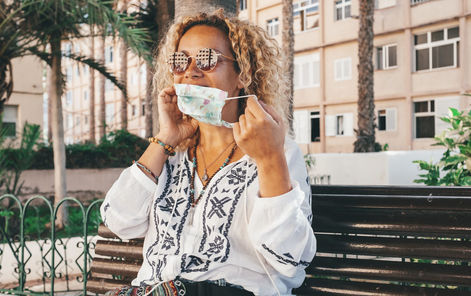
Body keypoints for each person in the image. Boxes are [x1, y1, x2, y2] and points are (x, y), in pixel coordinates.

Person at [101, 9, 316, 296]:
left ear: (241, 74)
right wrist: (165, 139)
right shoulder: (170, 156)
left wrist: (269, 160)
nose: (190, 70)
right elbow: (119, 222)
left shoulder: (277, 153)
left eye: (207, 58)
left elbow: (290, 259)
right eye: (180, 61)